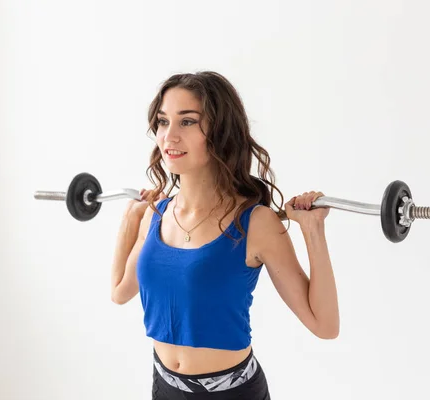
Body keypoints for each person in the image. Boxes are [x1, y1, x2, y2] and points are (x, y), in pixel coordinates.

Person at [110, 71, 340, 399]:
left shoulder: (256, 223)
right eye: (163, 121)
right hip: (163, 387)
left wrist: (313, 231)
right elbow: (120, 291)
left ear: (219, 132)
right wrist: (131, 219)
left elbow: (325, 325)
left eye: (187, 122)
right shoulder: (155, 214)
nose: (168, 137)